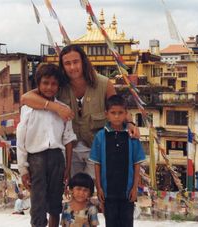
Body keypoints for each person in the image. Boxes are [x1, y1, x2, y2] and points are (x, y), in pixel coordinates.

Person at [21, 44, 139, 179]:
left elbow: (119, 108)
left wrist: (130, 123)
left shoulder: (103, 84)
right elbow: (25, 98)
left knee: (94, 191)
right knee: (76, 191)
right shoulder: (58, 86)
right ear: (63, 66)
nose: (72, 67)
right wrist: (56, 107)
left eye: (76, 62)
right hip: (69, 151)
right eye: (67, 63)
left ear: (83, 61)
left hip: (97, 149)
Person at [17, 63, 77, 227]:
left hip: (57, 158)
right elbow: (21, 139)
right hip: (36, 159)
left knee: (55, 202)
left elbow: (68, 140)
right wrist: (23, 168)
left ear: (58, 86)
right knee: (38, 202)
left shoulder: (64, 109)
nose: (49, 87)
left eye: (53, 84)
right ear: (38, 84)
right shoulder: (28, 109)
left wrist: (68, 167)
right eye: (45, 83)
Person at [89, 95, 146, 227]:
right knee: (111, 223)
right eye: (113, 113)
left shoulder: (131, 135)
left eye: (120, 113)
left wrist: (134, 188)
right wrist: (99, 188)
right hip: (108, 191)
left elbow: (137, 163)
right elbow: (97, 164)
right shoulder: (100, 136)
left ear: (126, 114)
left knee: (127, 223)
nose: (116, 116)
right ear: (106, 114)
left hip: (127, 192)